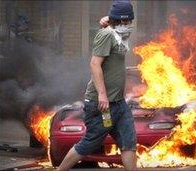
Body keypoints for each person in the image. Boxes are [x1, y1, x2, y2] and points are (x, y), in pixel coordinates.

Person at [56, 1, 137, 171]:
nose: (129, 24)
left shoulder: (117, 34)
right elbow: (94, 64)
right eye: (127, 21)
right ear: (121, 21)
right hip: (102, 104)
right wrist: (102, 95)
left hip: (119, 103)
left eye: (130, 21)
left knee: (128, 141)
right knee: (90, 142)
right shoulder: (106, 35)